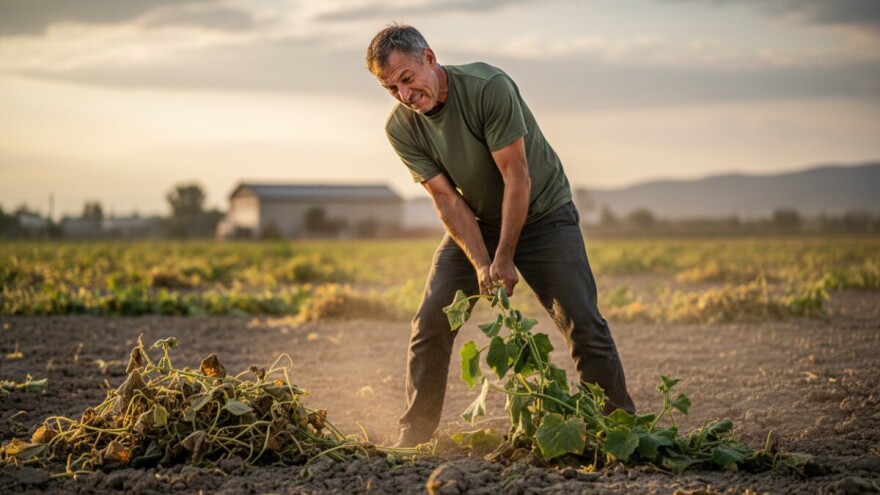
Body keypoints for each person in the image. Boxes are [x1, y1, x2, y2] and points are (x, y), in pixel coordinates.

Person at [365, 24, 636, 447]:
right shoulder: (401, 128)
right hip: (477, 222)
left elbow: (517, 176)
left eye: (407, 78)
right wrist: (480, 261)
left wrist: (505, 258)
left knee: (581, 320)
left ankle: (620, 430)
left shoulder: (488, 87)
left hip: (544, 214)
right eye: (390, 88)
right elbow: (447, 200)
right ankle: (414, 436)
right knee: (432, 319)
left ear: (430, 59)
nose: (404, 95)